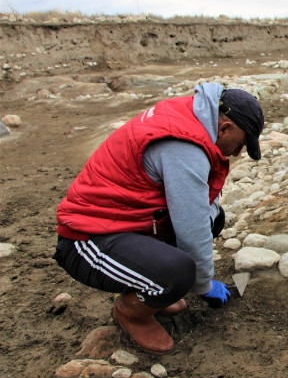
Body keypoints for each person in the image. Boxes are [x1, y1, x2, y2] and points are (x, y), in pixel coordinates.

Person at [54, 82, 264, 354]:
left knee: (214, 218)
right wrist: (202, 284)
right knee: (178, 272)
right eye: (240, 145)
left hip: (125, 223)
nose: (236, 153)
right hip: (86, 240)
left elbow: (200, 210)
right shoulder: (184, 146)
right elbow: (191, 228)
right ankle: (131, 312)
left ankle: (151, 288)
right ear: (225, 129)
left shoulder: (192, 116)